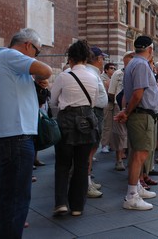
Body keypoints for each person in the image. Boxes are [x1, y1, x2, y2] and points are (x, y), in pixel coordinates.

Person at [0, 28, 52, 238]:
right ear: (27, 45)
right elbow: (46, 70)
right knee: (16, 198)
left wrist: (38, 84)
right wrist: (40, 73)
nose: (35, 55)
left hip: (8, 136)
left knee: (7, 195)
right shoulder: (11, 55)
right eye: (37, 51)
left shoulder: (4, 62)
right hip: (16, 137)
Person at [50, 40, 99, 217]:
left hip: (67, 121)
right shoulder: (94, 77)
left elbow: (53, 101)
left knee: (62, 164)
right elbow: (93, 102)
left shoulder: (64, 76)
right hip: (87, 122)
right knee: (82, 164)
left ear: (70, 58)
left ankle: (61, 203)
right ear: (86, 58)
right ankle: (77, 206)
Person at [114, 35, 158, 210]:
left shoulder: (132, 63)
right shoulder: (140, 64)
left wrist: (126, 111)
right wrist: (127, 111)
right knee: (140, 154)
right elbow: (138, 93)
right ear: (150, 49)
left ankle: (136, 188)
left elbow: (129, 92)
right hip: (142, 115)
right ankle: (132, 196)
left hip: (139, 114)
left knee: (136, 154)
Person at [85, 46, 109, 198]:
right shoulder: (90, 73)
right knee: (89, 150)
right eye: (102, 58)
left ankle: (87, 180)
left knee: (91, 149)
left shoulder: (93, 72)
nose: (103, 61)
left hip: (97, 112)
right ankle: (86, 184)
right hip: (93, 113)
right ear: (98, 59)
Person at [108, 51, 134, 171]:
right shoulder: (117, 74)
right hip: (119, 106)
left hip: (134, 107)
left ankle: (131, 160)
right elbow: (111, 92)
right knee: (120, 134)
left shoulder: (137, 73)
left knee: (131, 135)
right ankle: (118, 160)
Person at [100, 62, 116, 153]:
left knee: (113, 126)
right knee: (107, 125)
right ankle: (104, 145)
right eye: (111, 68)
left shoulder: (111, 78)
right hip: (107, 103)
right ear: (106, 70)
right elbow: (106, 89)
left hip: (112, 103)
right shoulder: (103, 78)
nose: (113, 70)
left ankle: (111, 144)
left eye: (114, 68)